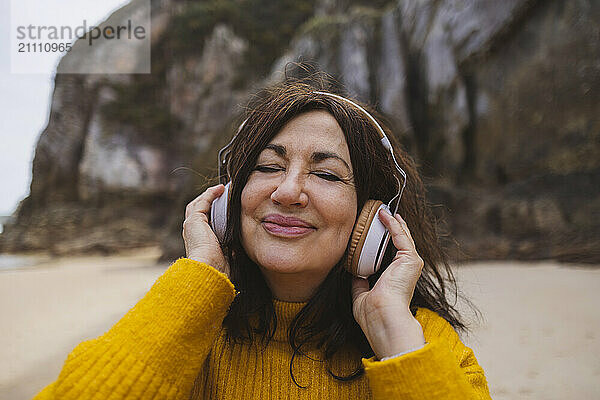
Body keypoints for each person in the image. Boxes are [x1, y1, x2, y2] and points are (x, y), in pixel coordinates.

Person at [34, 77, 491, 399]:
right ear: (228, 202)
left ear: (375, 219)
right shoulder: (175, 331)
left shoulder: (425, 343)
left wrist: (394, 334)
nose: (287, 191)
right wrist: (198, 281)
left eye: (327, 174)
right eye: (268, 167)